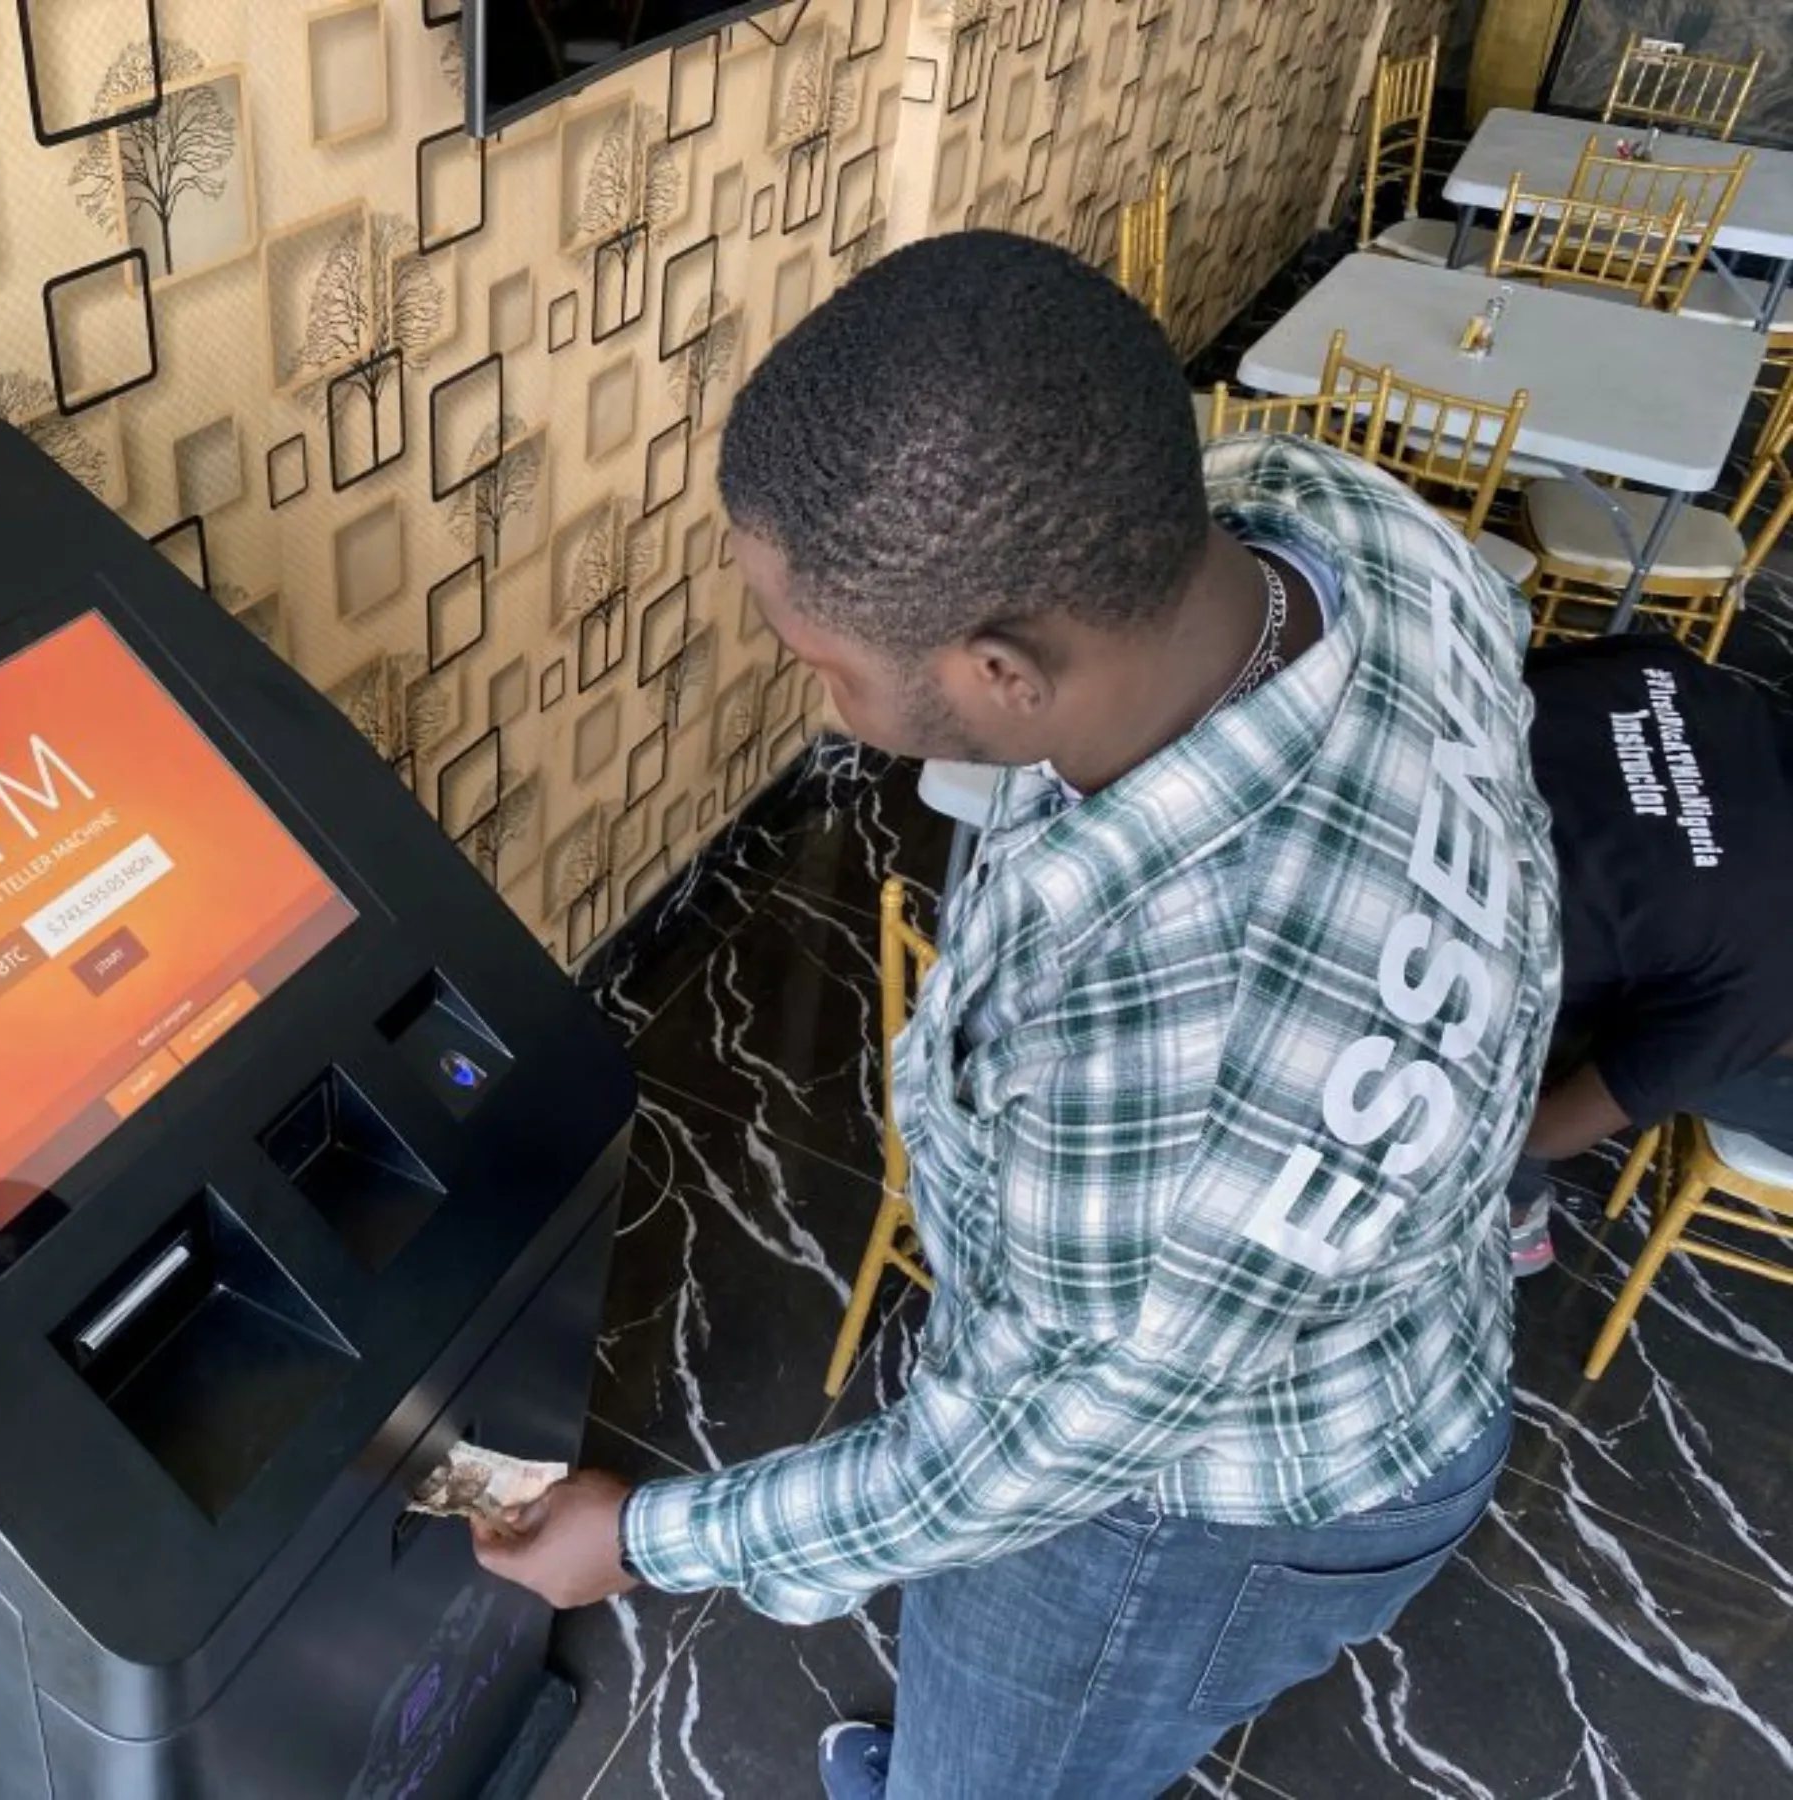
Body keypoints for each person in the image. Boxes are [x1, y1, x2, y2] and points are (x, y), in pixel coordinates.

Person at [471, 231, 1559, 1800]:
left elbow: (1001, 1474)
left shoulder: (1173, 1056)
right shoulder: (1344, 525)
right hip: (1377, 1325)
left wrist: (639, 1540)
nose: (818, 700)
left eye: (822, 663)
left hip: (1197, 1509)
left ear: (1001, 670)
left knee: (1010, 1761)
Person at [1506, 635, 1793, 1275]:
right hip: (1402, 963)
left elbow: (1509, 671)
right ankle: (1509, 1207)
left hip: (1354, 762)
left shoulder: (1684, 672)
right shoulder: (1773, 975)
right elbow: (1546, 1131)